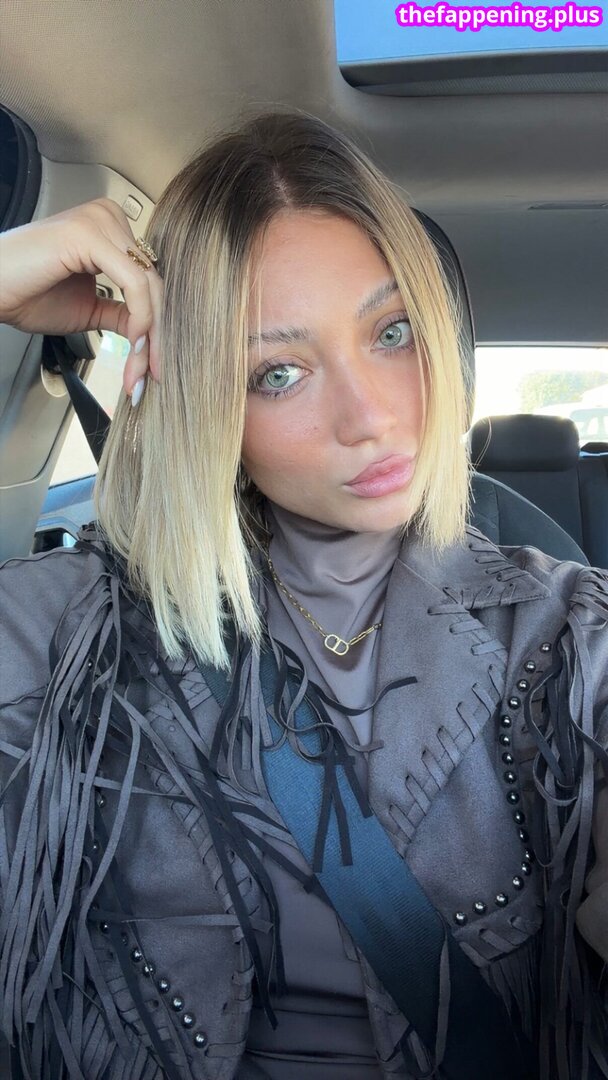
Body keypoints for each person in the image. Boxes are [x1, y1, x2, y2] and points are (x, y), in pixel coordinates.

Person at [0, 109, 606, 1080]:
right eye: (277, 372)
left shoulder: (563, 632)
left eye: (392, 332)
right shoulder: (64, 633)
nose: (368, 418)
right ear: (202, 398)